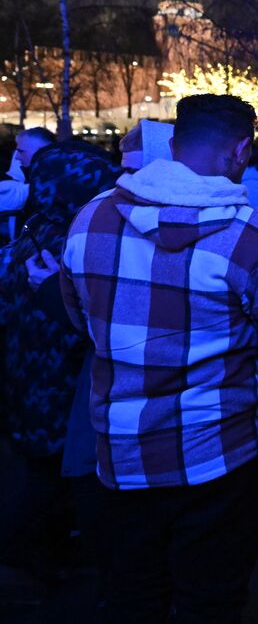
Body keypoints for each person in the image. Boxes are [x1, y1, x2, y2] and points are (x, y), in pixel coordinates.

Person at [60, 94, 258, 623]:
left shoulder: (91, 219)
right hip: (221, 454)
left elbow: (81, 318)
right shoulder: (250, 235)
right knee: (212, 600)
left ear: (173, 144)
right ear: (242, 151)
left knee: (134, 595)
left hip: (123, 453)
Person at [0, 140, 121, 600]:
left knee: (48, 473)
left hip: (37, 373)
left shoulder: (40, 232)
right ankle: (30, 554)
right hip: (50, 377)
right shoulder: (68, 239)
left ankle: (45, 552)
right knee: (45, 478)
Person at [0, 127, 58, 215]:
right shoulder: (27, 172)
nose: (17, 157)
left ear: (42, 151)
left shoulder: (58, 184)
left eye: (21, 152)